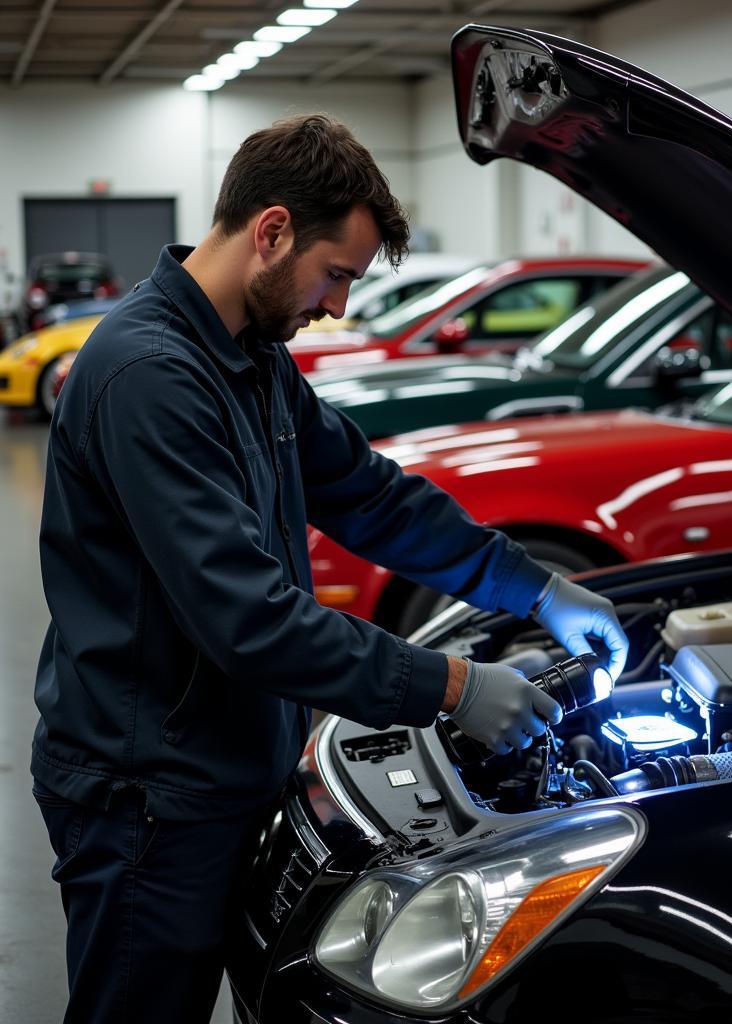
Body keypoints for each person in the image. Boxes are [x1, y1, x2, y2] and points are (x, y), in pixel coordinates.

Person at [30, 114, 628, 1024]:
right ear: (271, 232)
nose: (339, 305)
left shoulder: (252, 360)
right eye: (336, 274)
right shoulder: (146, 375)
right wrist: (453, 684)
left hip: (228, 768)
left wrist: (531, 584)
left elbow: (371, 496)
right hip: (147, 798)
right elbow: (250, 620)